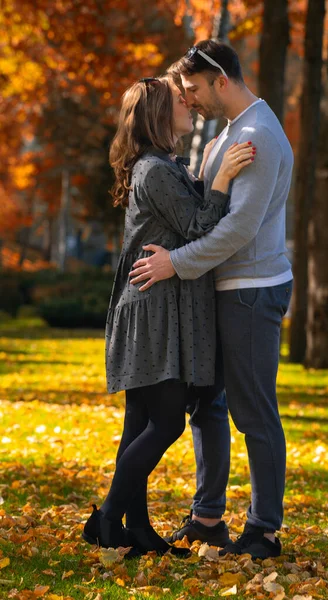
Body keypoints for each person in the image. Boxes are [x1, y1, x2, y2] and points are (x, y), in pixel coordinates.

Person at [129, 40, 294, 560]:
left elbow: (239, 228)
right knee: (207, 405)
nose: (191, 100)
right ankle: (207, 518)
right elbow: (205, 206)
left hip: (250, 290)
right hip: (222, 289)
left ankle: (264, 530)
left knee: (254, 412)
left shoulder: (260, 135)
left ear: (221, 79)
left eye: (195, 89)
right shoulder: (228, 136)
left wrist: (173, 263)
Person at [81, 75, 255, 557]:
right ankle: (108, 519)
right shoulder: (155, 170)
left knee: (140, 423)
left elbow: (183, 225)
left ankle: (136, 529)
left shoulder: (161, 166)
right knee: (166, 422)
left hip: (152, 307)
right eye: (177, 100)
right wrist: (220, 181)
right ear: (159, 114)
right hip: (153, 311)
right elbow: (200, 226)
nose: (187, 102)